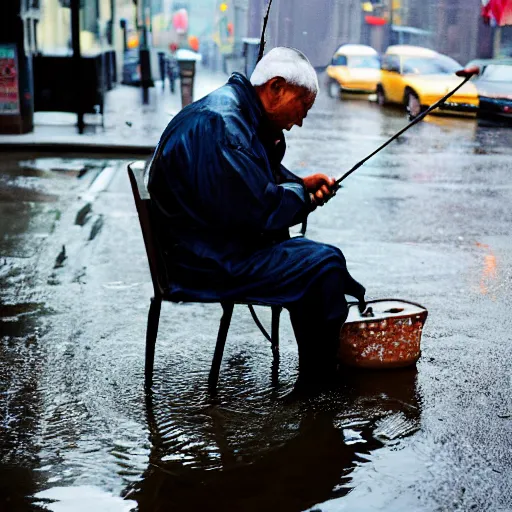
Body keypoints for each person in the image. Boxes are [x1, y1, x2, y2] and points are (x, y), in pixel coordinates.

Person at [146, 47, 366, 389]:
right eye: (302, 106)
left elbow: (249, 178)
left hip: (205, 245)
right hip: (206, 262)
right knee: (323, 266)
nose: (300, 121)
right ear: (276, 88)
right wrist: (302, 196)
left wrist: (297, 184)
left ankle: (319, 375)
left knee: (320, 260)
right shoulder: (225, 125)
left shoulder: (232, 113)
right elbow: (260, 210)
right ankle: (319, 386)